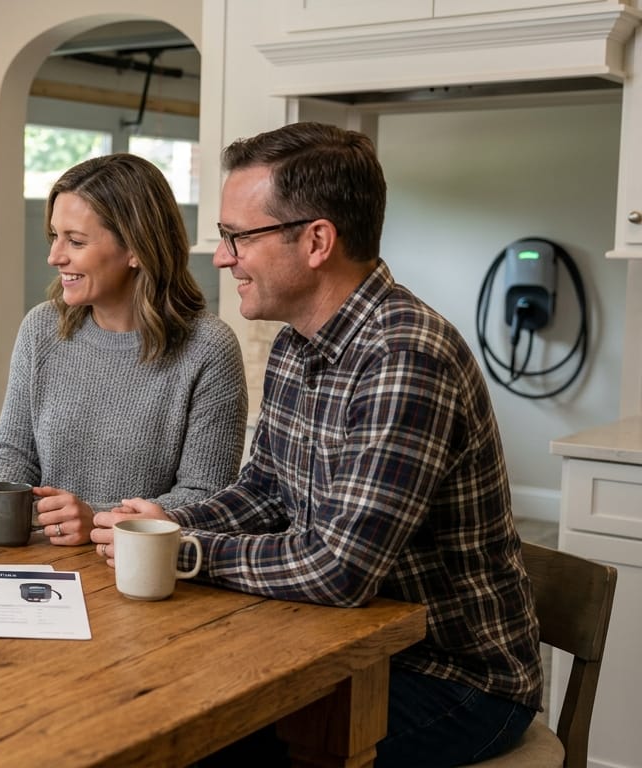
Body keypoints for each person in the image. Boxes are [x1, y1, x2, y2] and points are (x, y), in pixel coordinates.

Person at [91, 122, 541, 767]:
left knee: (199, 741)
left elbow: (339, 570)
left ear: (317, 241)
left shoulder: (404, 356)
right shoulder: (296, 345)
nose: (222, 258)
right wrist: (170, 520)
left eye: (239, 237)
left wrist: (181, 551)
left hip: (451, 680)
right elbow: (264, 491)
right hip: (338, 641)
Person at [0, 153, 248, 547]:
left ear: (136, 249)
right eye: (54, 236)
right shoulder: (41, 328)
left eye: (76, 241)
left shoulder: (208, 348)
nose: (54, 256)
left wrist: (95, 517)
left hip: (140, 568)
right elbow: (14, 453)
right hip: (41, 560)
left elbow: (206, 497)